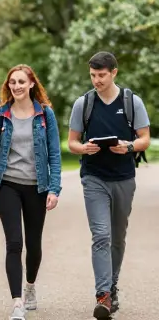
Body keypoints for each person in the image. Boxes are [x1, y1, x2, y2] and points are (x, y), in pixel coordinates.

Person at [67, 51, 151, 319]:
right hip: (94, 178)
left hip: (124, 178)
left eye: (101, 75)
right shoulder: (84, 104)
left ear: (114, 72)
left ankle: (112, 285)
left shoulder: (131, 101)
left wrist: (128, 146)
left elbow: (144, 139)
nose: (97, 80)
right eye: (93, 75)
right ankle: (102, 295)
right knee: (101, 235)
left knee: (117, 236)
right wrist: (84, 148)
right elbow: (72, 142)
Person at [0, 65, 61, 319]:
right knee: (14, 242)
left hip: (37, 187)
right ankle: (17, 302)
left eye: (21, 82)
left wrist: (54, 188)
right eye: (12, 82)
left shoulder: (45, 114)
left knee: (34, 244)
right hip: (7, 185)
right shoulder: (1, 115)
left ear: (31, 84)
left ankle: (30, 286)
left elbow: (54, 153)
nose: (16, 86)